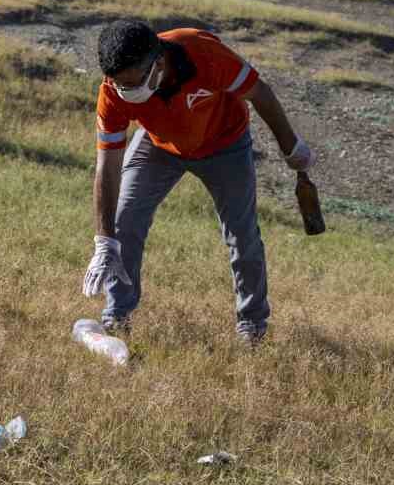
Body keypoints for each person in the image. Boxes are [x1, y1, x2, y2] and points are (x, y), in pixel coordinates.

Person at [81, 19, 316, 346]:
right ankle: (117, 316)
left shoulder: (203, 52)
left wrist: (292, 147)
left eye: (135, 84)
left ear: (158, 64)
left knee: (242, 234)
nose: (128, 94)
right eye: (122, 85)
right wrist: (104, 241)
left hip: (225, 145)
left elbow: (259, 93)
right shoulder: (112, 89)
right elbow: (107, 165)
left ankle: (252, 327)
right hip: (158, 145)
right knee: (124, 221)